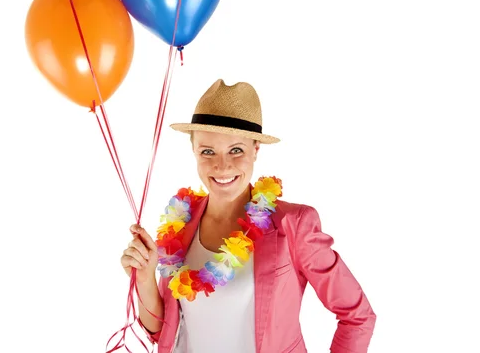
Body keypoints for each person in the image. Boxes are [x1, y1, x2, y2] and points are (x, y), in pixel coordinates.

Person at [120, 79, 376, 353]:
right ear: (194, 151)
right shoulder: (180, 226)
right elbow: (163, 333)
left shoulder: (293, 225)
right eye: (208, 151)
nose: (222, 165)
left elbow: (358, 316)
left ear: (256, 151)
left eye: (236, 150)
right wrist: (145, 280)